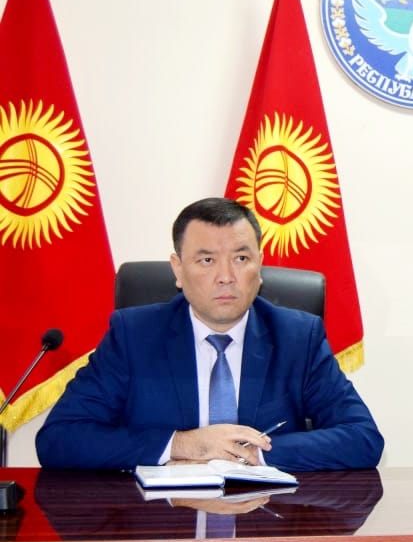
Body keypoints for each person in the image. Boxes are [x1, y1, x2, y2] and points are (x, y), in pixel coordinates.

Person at [37, 198, 383, 471]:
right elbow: (59, 438)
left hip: (266, 521)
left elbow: (363, 438)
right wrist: (184, 445)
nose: (226, 276)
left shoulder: (297, 338)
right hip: (161, 523)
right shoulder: (134, 336)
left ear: (259, 265)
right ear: (178, 269)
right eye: (206, 261)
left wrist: (248, 452)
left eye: (241, 258)